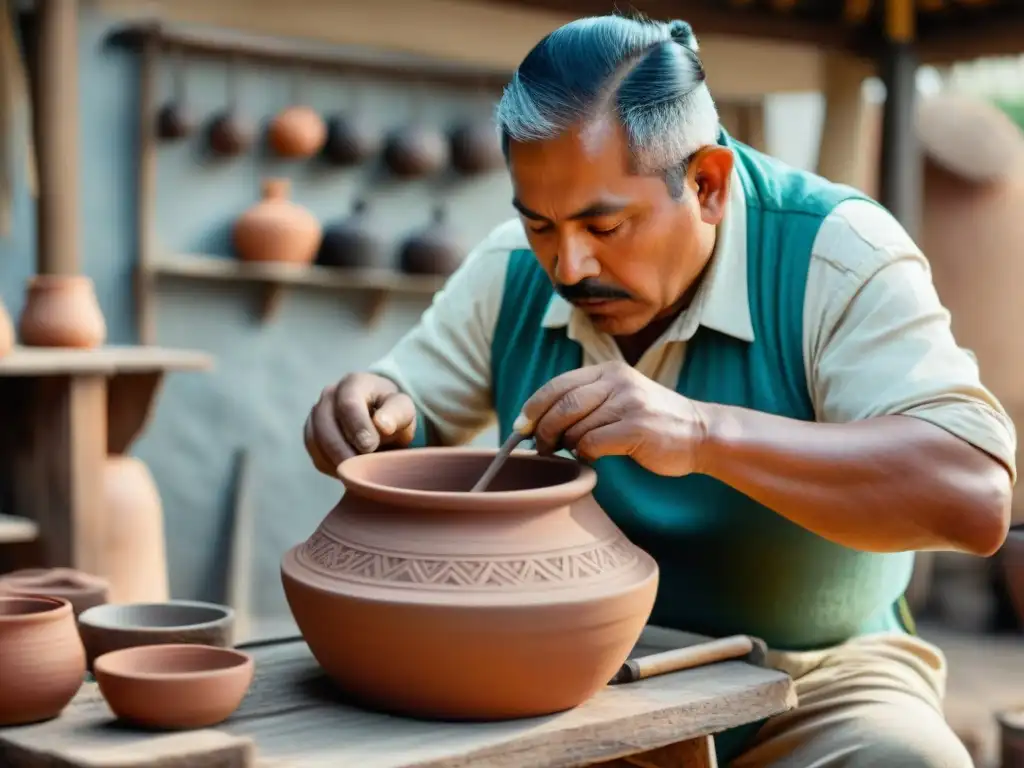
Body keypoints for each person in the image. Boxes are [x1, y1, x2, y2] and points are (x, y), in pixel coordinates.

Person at [303, 14, 1016, 767]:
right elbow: (410, 407)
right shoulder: (511, 268)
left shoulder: (835, 253)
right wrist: (373, 409)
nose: (569, 266)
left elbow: (973, 495)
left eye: (604, 226)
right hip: (572, 676)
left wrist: (705, 435)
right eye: (541, 224)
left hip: (817, 681)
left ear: (707, 183)